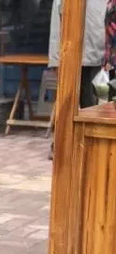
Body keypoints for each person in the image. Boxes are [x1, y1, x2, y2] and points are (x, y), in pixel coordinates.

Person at [48, 0, 106, 159]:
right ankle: (60, 145)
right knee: (66, 104)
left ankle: (92, 147)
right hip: (70, 58)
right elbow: (55, 27)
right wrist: (55, 59)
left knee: (94, 105)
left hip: (101, 58)